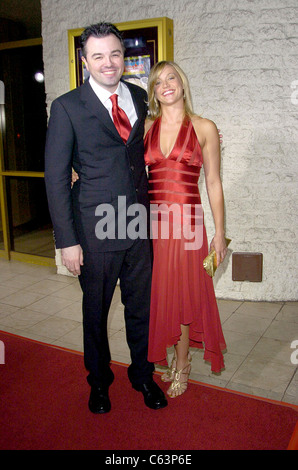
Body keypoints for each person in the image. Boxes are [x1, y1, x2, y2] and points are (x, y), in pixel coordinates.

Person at [44, 23, 167, 413]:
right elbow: (57, 177)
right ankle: (99, 382)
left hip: (136, 224)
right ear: (85, 62)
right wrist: (66, 240)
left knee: (141, 308)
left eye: (115, 54)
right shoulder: (66, 107)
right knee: (95, 314)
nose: (108, 62)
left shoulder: (137, 97)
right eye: (98, 56)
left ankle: (143, 376)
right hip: (94, 230)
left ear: (123, 57)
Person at [144, 61, 227, 398]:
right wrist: (80, 172)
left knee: (183, 295)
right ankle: (168, 358)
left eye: (171, 77)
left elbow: (213, 182)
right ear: (153, 91)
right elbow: (119, 165)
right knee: (160, 294)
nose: (165, 85)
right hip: (152, 223)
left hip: (188, 224)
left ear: (182, 83)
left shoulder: (204, 126)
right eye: (158, 81)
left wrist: (220, 233)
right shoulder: (147, 126)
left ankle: (182, 365)